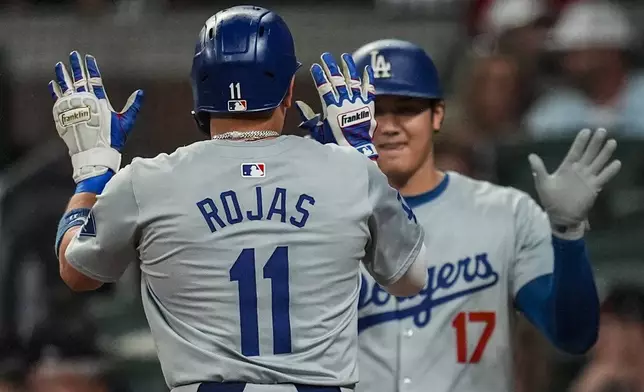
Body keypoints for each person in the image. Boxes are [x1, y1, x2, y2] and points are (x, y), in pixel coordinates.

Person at [48, 7, 429, 392]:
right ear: (289, 89)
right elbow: (410, 279)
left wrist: (92, 170)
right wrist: (362, 154)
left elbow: (76, 271)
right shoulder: (350, 173)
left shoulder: (147, 181)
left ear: (199, 90)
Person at [296, 39, 621, 392]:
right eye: (372, 111)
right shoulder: (317, 221)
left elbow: (573, 336)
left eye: (406, 109)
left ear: (437, 115)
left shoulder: (505, 212)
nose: (388, 126)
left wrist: (568, 232)